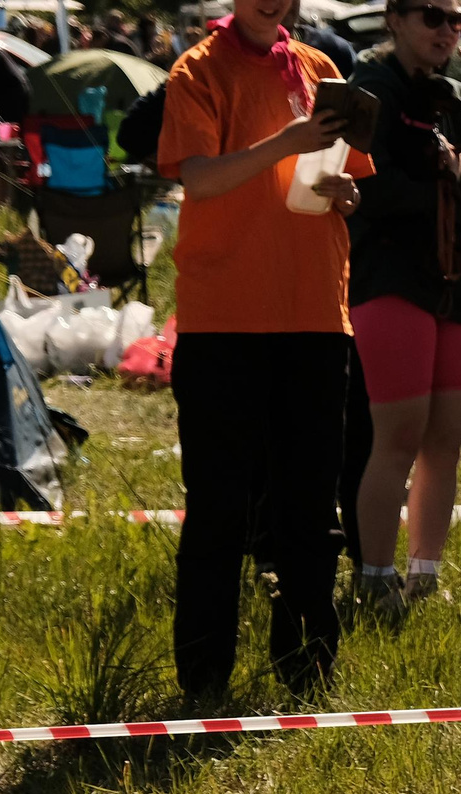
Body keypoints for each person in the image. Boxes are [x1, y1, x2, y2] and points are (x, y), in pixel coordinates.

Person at [156, 0, 371, 703]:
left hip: (315, 316)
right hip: (224, 323)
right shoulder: (197, 71)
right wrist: (289, 141)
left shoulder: (321, 68)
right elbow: (202, 177)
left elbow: (347, 180)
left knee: (311, 510)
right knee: (219, 507)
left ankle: (307, 670)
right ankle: (204, 680)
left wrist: (343, 195)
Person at [344, 1, 461, 608]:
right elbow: (367, 185)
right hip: (394, 281)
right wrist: (441, 174)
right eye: (431, 15)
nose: (447, 29)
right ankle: (374, 578)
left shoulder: (459, 95)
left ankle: (424, 576)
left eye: (457, 18)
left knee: (446, 441)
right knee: (398, 437)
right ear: (394, 19)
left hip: (460, 285)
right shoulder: (371, 88)